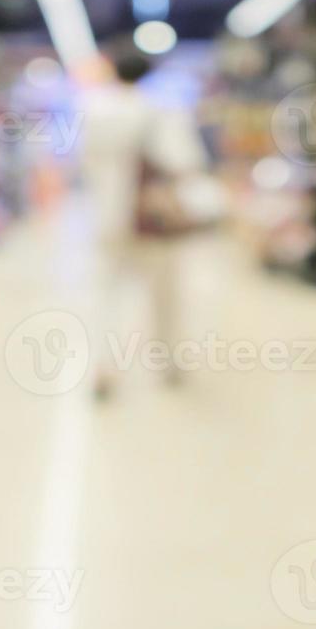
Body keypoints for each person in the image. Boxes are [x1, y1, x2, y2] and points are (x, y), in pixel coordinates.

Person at [77, 46, 210, 399]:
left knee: (106, 293)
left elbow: (83, 162)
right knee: (164, 293)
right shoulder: (161, 112)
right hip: (151, 219)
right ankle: (167, 361)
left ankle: (104, 367)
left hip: (107, 215)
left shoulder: (94, 111)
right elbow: (183, 162)